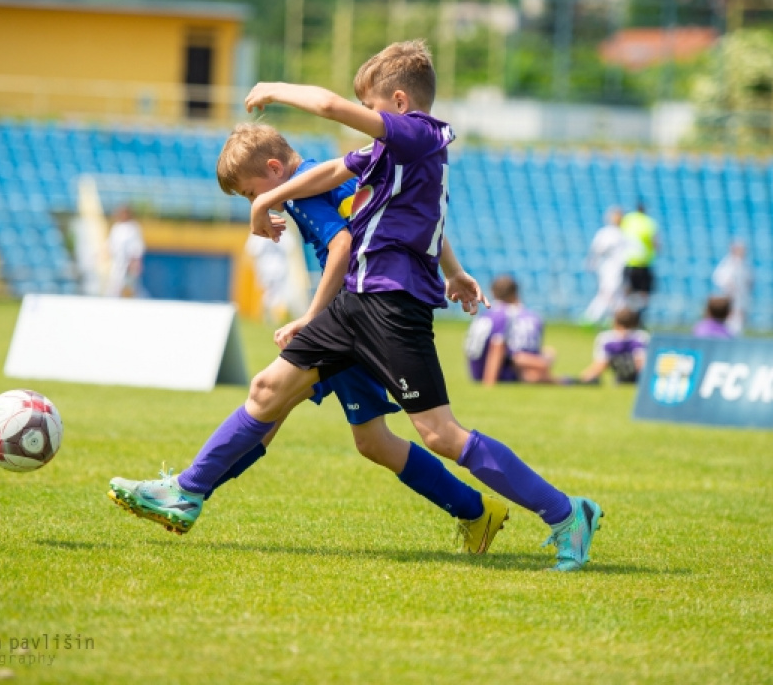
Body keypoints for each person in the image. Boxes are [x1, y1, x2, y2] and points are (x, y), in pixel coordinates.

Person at [109, 40, 602, 571]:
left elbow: (325, 107)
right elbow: (335, 175)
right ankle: (187, 491)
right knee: (268, 390)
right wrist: (268, 200)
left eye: (370, 107)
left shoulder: (417, 133)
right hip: (355, 302)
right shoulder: (391, 152)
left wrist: (274, 89)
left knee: (439, 434)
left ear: (398, 101)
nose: (366, 117)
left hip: (391, 305)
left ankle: (566, 513)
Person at [111, 120, 508, 554]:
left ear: (275, 168)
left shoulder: (300, 188)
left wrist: (311, 317)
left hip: (351, 316)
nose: (255, 202)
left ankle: (187, 491)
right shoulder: (335, 174)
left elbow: (340, 246)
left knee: (268, 395)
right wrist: (453, 270)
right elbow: (417, 220)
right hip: (364, 310)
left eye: (251, 192)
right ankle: (476, 511)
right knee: (364, 438)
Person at [465, 275, 556, 384]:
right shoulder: (507, 314)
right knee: (538, 365)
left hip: (475, 368)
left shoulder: (484, 315)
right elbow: (497, 345)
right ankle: (567, 381)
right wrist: (489, 383)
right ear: (515, 292)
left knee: (540, 358)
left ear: (493, 292)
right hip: (492, 371)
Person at [576, 307, 649, 385]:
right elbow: (642, 363)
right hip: (640, 379)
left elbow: (601, 364)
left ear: (614, 322)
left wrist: (582, 378)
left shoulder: (606, 338)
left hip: (626, 378)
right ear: (635, 323)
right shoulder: (642, 336)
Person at [581, 206, 626, 325]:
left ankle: (613, 320)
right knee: (607, 293)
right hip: (609, 269)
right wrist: (593, 261)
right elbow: (598, 249)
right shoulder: (607, 232)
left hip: (618, 269)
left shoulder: (622, 233)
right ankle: (591, 317)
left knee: (616, 296)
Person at [620, 202, 658, 325]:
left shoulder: (628, 219)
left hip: (629, 262)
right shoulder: (649, 223)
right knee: (644, 293)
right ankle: (639, 318)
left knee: (627, 291)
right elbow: (655, 243)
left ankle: (626, 317)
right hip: (643, 263)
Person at [712, 241, 752, 335]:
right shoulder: (728, 263)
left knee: (739, 321)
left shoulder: (744, 264)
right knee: (729, 321)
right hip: (729, 298)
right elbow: (719, 278)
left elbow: (749, 280)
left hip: (740, 298)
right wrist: (729, 285)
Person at [105, 204, 145, 297]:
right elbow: (110, 245)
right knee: (114, 288)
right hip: (117, 264)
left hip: (129, 263)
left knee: (132, 287)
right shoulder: (116, 228)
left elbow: (137, 247)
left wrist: (135, 262)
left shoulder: (133, 228)